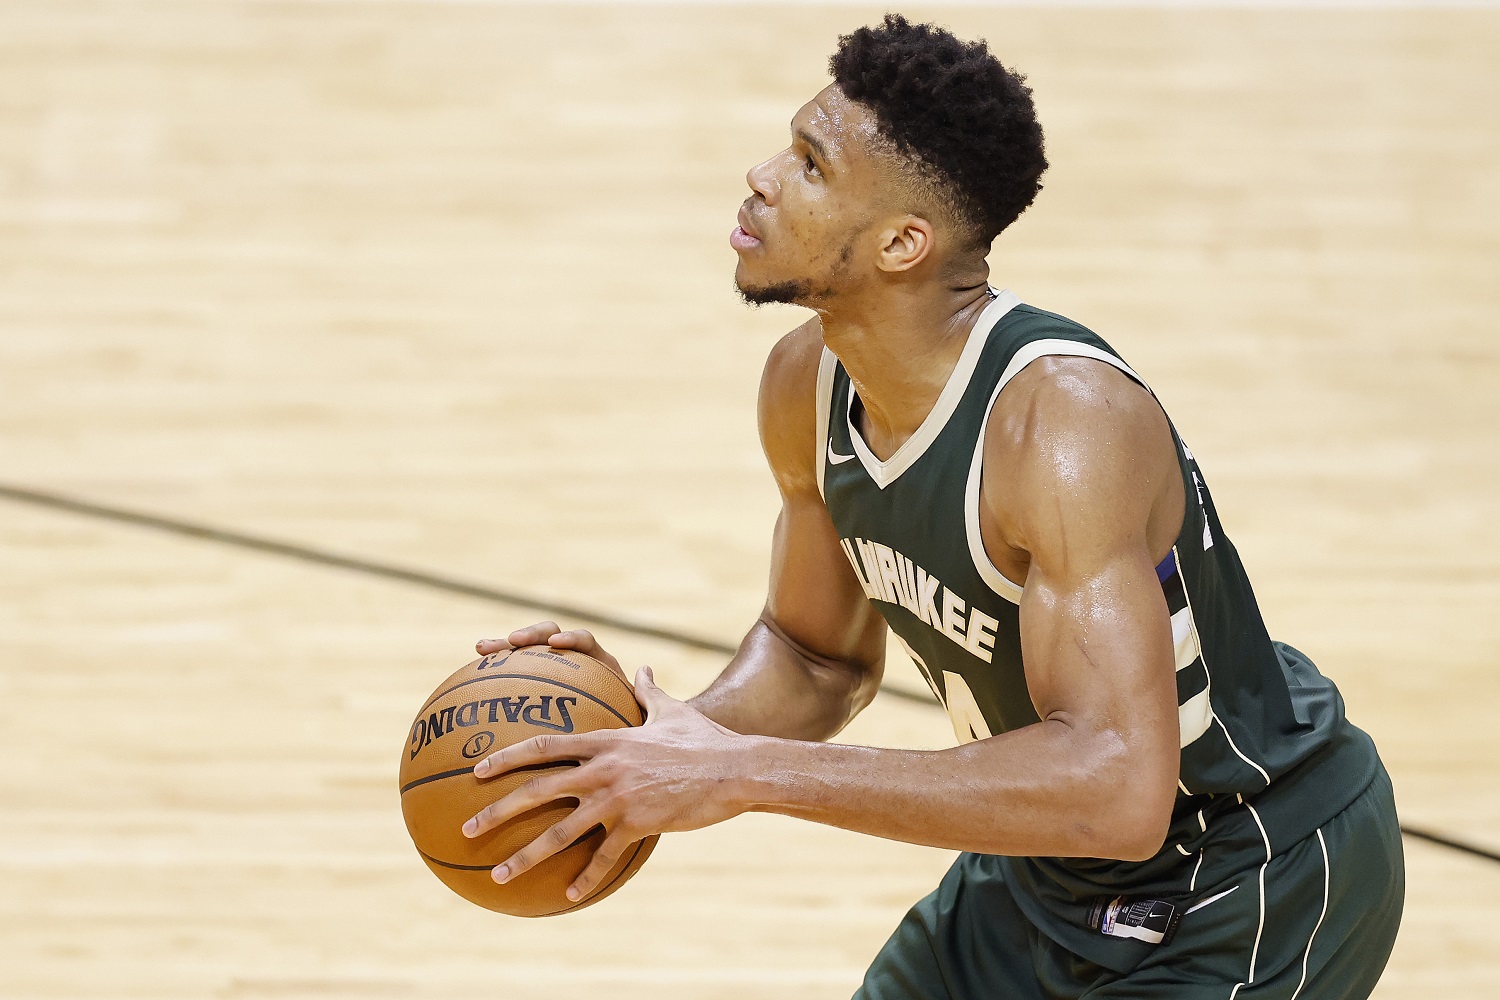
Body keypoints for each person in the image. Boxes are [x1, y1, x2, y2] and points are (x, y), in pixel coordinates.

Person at [462, 15, 1403, 999]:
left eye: (811, 165)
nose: (761, 175)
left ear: (904, 241)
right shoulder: (805, 384)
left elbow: (1120, 787)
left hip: (1245, 878)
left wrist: (743, 773)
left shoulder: (1062, 430)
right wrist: (662, 737)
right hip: (1046, 870)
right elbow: (814, 656)